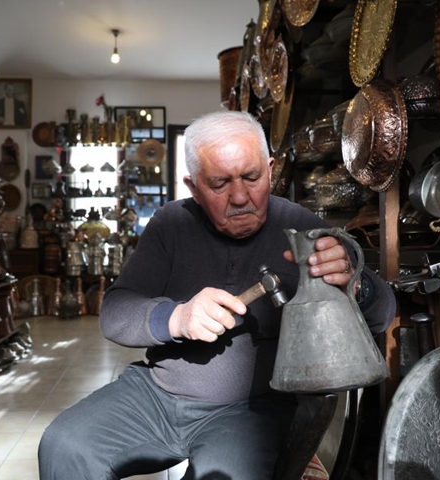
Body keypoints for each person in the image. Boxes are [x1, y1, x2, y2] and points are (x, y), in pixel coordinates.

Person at [38, 111, 396, 479]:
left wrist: (356, 283)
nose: (240, 196)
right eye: (220, 183)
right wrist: (176, 318)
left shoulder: (302, 226)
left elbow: (383, 313)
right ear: (193, 186)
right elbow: (115, 312)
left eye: (252, 177)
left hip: (250, 411)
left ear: (270, 169)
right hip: (157, 395)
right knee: (65, 444)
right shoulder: (170, 224)